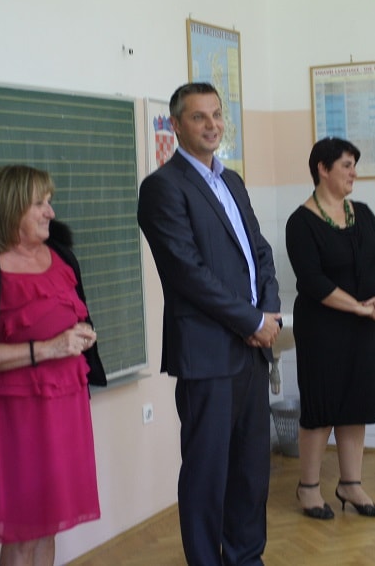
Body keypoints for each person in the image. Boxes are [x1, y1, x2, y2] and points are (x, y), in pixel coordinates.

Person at [137, 82, 281, 565]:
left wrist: (268, 314)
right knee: (206, 474)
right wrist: (251, 320)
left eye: (217, 115)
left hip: (252, 350)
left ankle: (246, 558)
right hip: (207, 354)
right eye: (199, 117)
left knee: (251, 471)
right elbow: (188, 273)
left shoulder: (232, 181)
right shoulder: (163, 187)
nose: (212, 125)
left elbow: (259, 252)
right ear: (176, 125)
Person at [0, 164, 106, 566]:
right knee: (21, 533)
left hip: (65, 407)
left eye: (49, 202)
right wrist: (50, 347)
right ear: (12, 208)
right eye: (39, 204)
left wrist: (81, 336)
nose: (51, 212)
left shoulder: (62, 256)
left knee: (49, 524)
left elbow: (74, 315)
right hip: (13, 417)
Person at [285, 137, 375, 520]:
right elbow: (313, 281)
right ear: (323, 169)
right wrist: (360, 307)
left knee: (356, 405)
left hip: (366, 327)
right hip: (323, 329)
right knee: (321, 409)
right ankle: (308, 488)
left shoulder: (362, 213)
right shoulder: (301, 222)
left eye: (354, 165)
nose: (354, 173)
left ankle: (351, 484)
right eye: (347, 165)